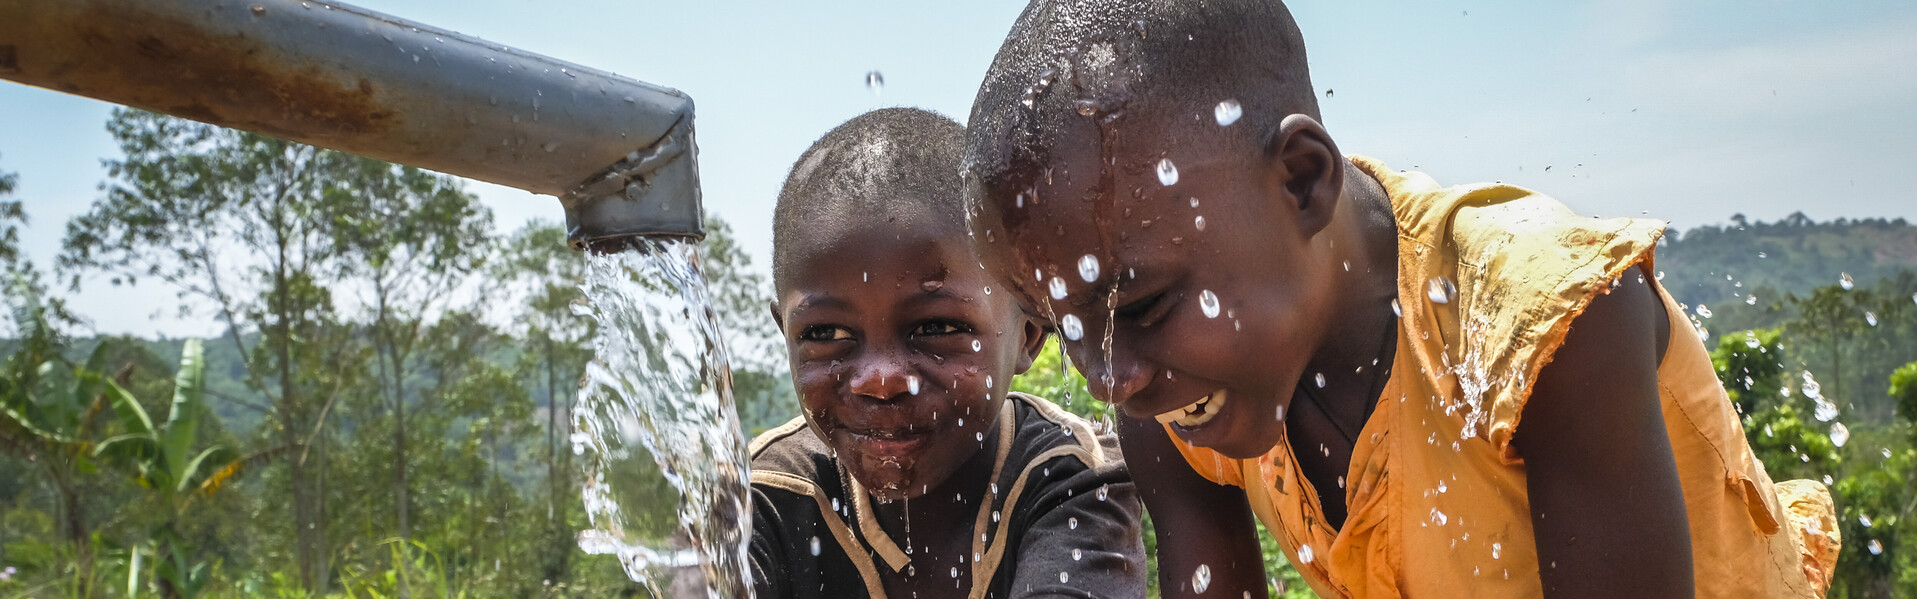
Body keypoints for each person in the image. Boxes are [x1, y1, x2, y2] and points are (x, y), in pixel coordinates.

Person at [957, 1, 1841, 597]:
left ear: (1300, 181)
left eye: (1142, 304)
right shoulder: (1178, 395)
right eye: (1064, 324)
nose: (1109, 379)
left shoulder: (1537, 328)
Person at [747, 107, 1147, 599]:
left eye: (936, 327)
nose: (881, 379)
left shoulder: (1072, 478)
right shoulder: (762, 498)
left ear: (1030, 333)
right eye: (825, 333)